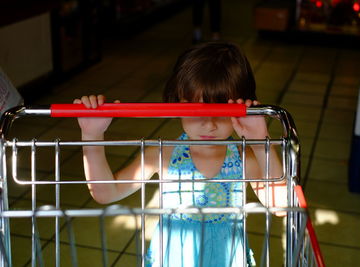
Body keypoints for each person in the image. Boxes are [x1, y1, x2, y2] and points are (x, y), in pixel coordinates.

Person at [74, 41, 286, 267]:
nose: (209, 125)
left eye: (222, 112)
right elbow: (106, 193)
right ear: (177, 103)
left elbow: (281, 205)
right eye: (197, 111)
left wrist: (259, 140)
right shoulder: (162, 155)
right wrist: (92, 134)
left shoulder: (245, 159)